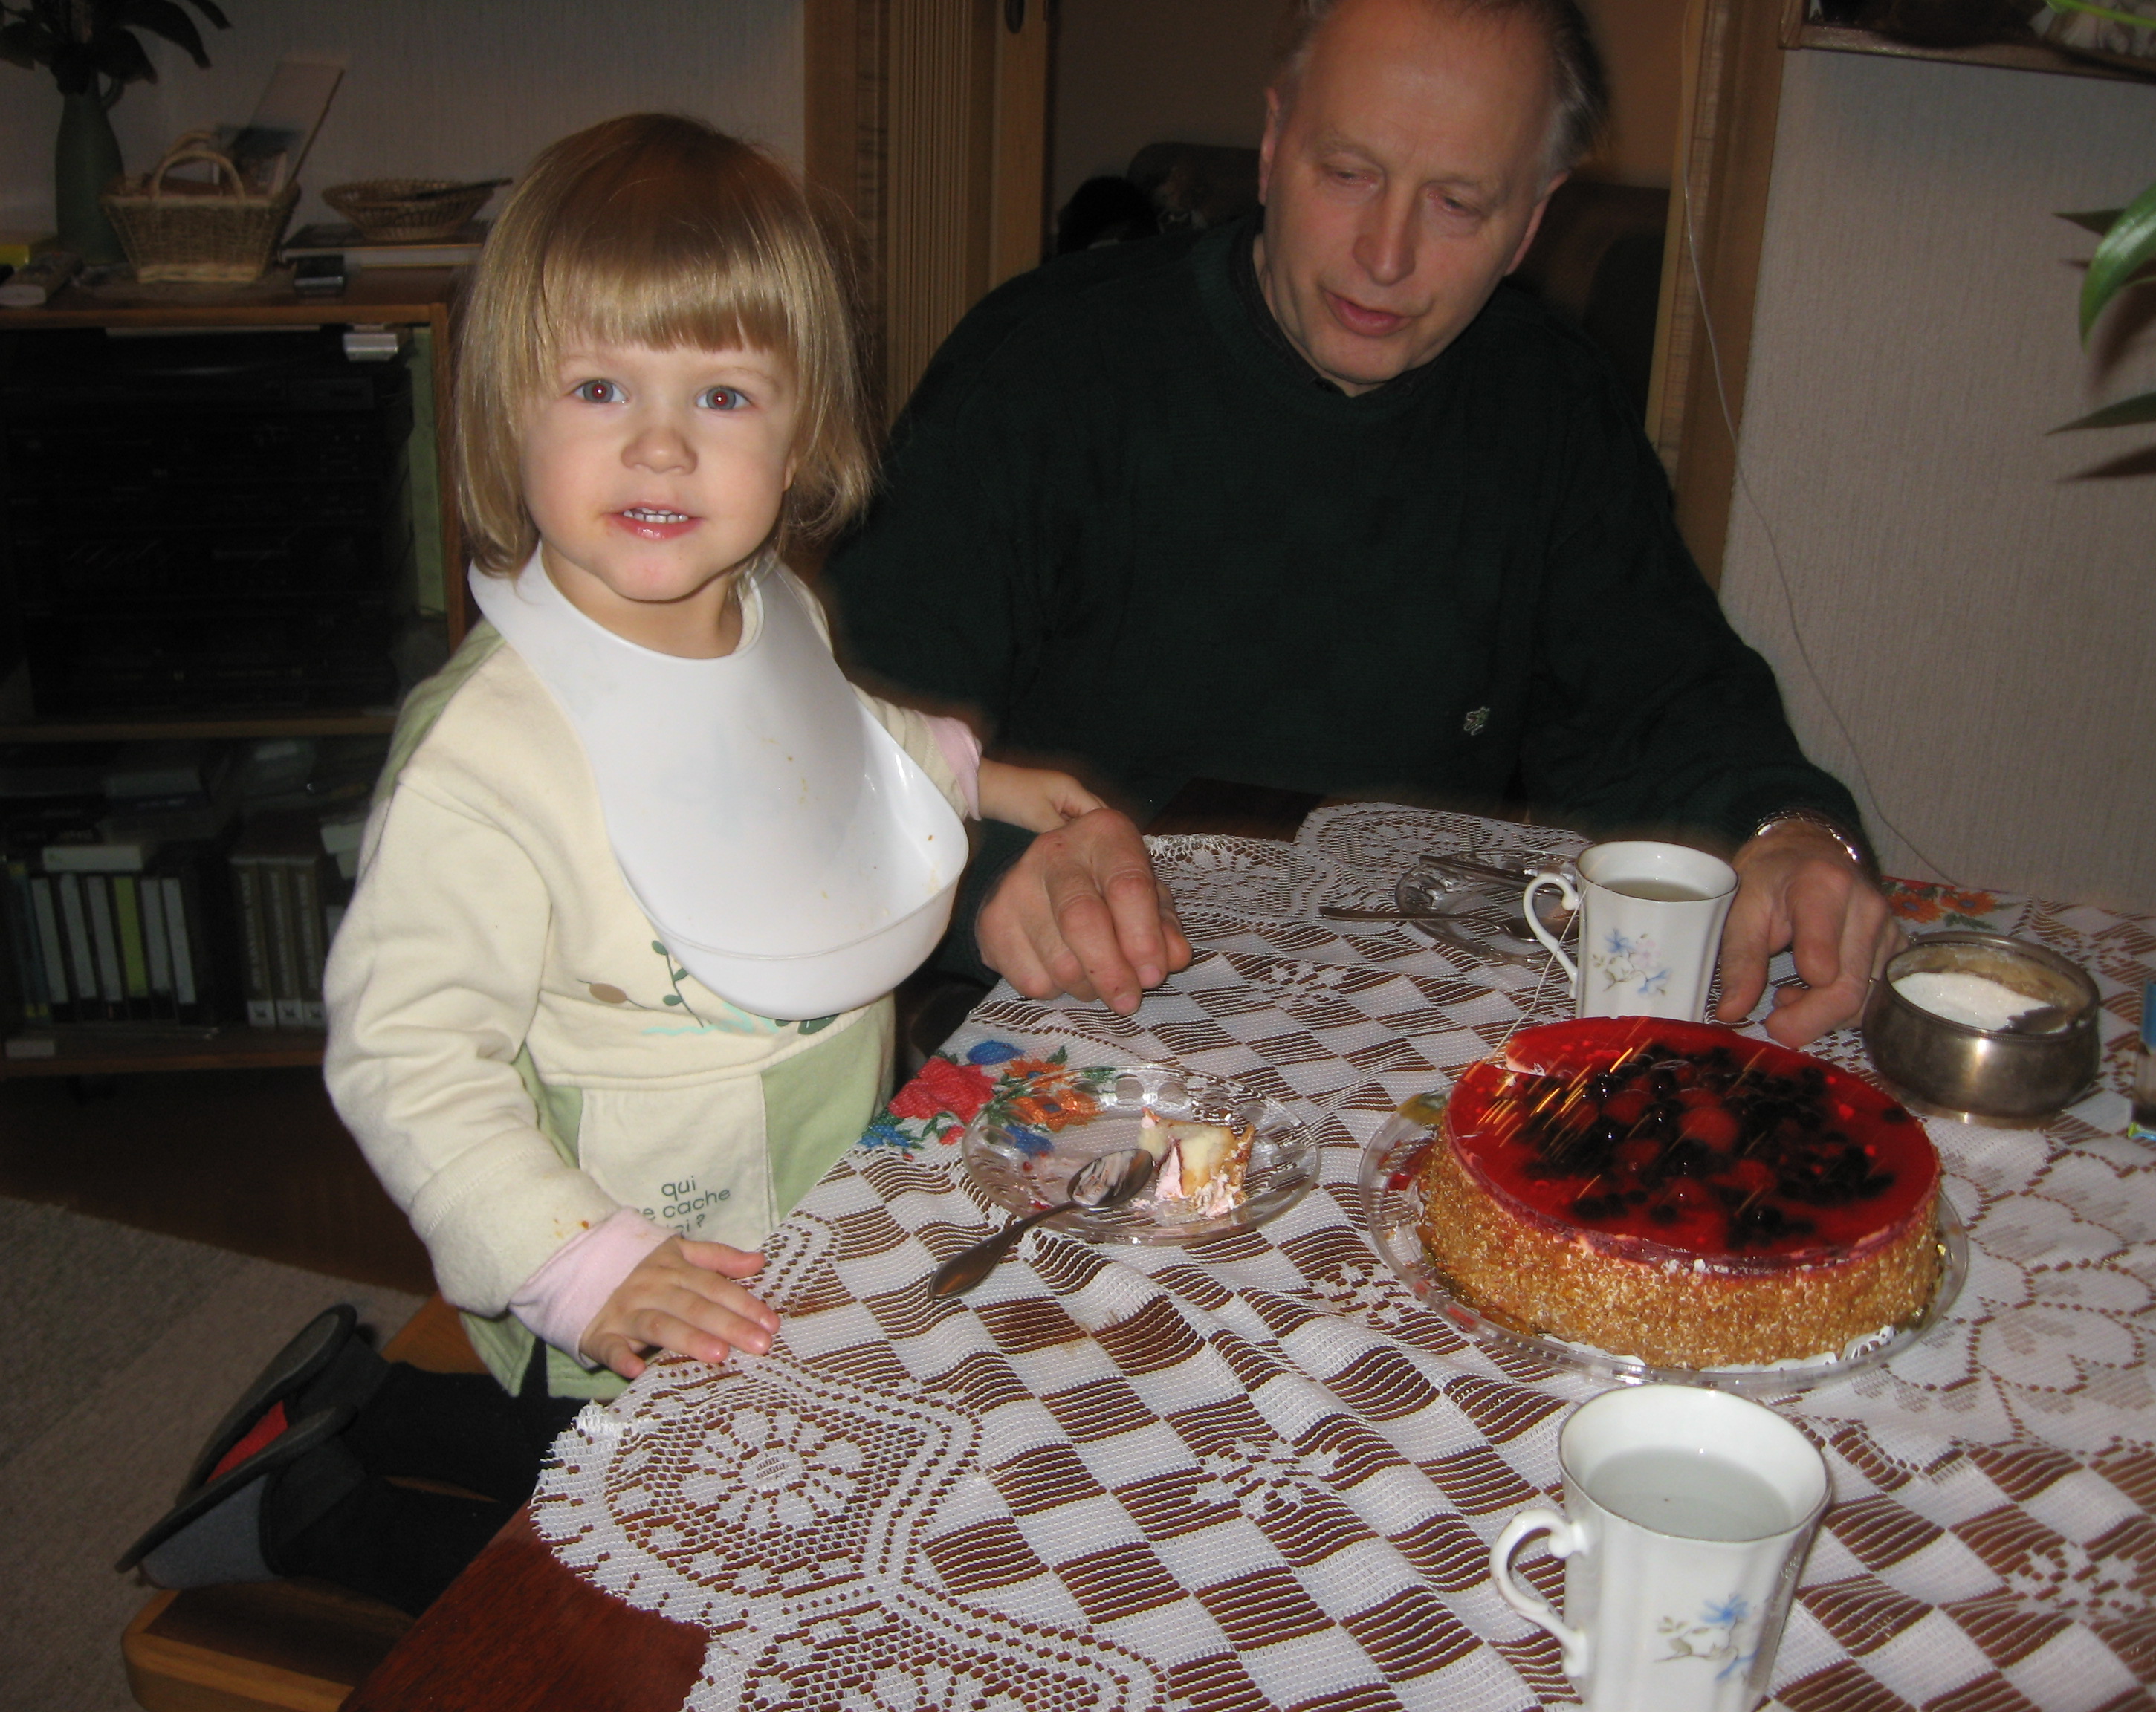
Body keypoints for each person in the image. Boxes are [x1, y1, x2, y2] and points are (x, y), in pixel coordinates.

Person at [117, 114, 1099, 1614]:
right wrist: (580, 1268)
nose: (660, 444)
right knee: (638, 1577)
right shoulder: (488, 758)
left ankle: (363, 1406)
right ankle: (299, 1518)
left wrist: (965, 771)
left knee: (690, 1451)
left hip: (796, 1190)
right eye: (598, 387)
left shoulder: (772, 604)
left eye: (723, 393)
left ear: (802, 437)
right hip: (625, 1249)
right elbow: (403, 1054)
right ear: (506, 411)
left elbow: (812, 739)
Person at [827, 0, 1901, 1047]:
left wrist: (1785, 831)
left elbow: (1660, 700)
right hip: (1067, 1030)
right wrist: (993, 877)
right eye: (1347, 174)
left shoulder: (1553, 403)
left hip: (1405, 1037)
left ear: (1532, 219)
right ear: (1272, 145)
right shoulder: (1039, 371)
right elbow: (833, 751)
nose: (1386, 257)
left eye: (1458, 204)